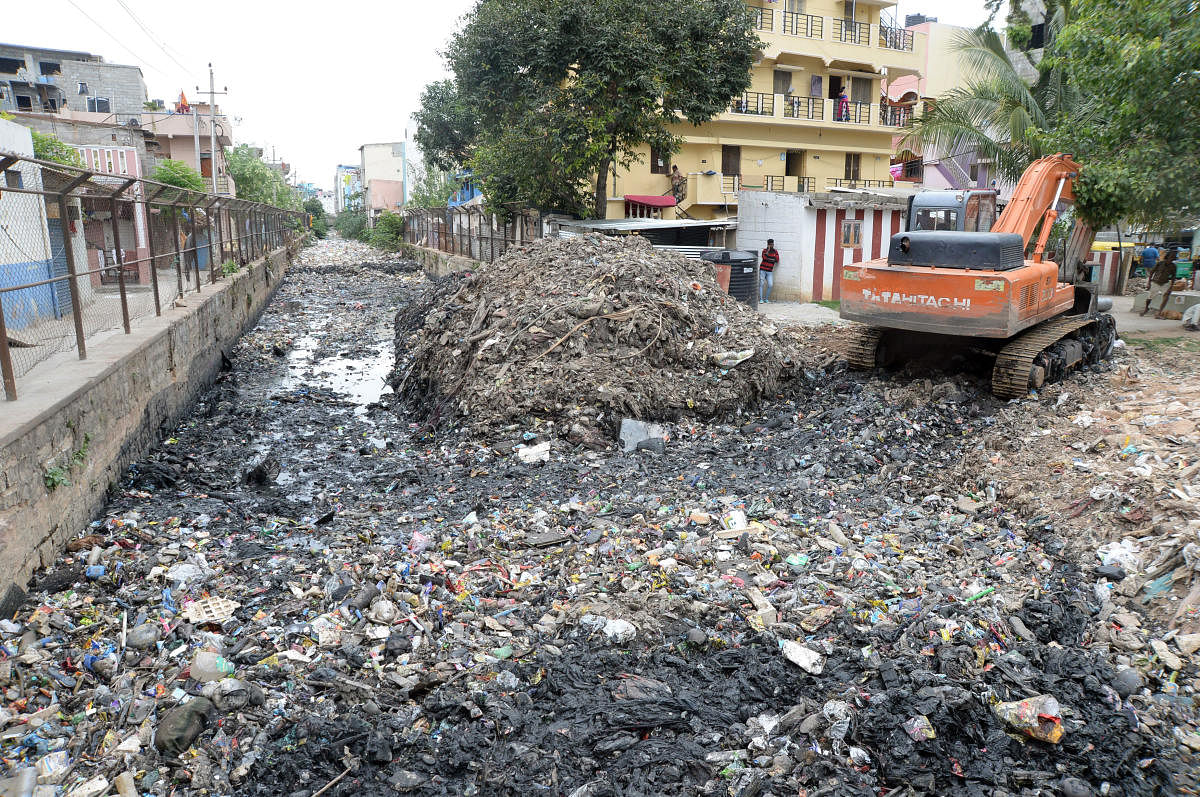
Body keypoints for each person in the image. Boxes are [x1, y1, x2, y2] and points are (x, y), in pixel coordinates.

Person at [1145, 248, 1176, 318]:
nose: (1172, 258)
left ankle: (1159, 313)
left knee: (1166, 297)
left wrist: (1171, 287)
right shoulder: (1160, 263)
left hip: (1165, 283)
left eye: (1174, 257)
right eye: (1172, 256)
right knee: (1149, 298)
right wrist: (1149, 283)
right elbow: (1152, 272)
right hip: (1155, 282)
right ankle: (1146, 308)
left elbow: (1173, 276)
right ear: (1168, 256)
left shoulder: (1173, 266)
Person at [760, 239, 779, 304]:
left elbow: (777, 260)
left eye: (772, 244)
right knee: (761, 284)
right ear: (768, 245)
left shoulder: (775, 251)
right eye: (770, 244)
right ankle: (761, 299)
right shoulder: (764, 251)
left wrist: (769, 258)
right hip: (762, 270)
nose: (771, 246)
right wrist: (768, 252)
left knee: (770, 285)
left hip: (769, 271)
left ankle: (766, 299)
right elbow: (764, 258)